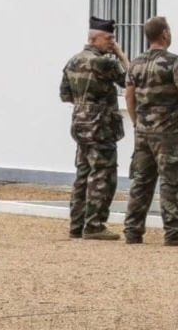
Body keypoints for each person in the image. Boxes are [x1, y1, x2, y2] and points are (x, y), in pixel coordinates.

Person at [123, 16, 178, 246]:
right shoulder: (174, 62)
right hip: (167, 131)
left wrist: (136, 121)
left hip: (143, 131)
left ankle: (132, 229)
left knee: (141, 180)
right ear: (165, 33)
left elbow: (129, 96)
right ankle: (174, 231)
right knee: (172, 179)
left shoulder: (135, 64)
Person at [59, 16, 131, 241]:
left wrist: (85, 104)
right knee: (103, 174)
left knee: (83, 173)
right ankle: (95, 225)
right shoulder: (104, 63)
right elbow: (132, 80)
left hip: (80, 124)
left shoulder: (73, 61)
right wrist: (121, 55)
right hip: (101, 126)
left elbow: (65, 95)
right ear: (94, 38)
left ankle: (77, 224)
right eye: (109, 38)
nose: (112, 42)